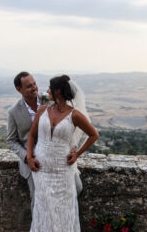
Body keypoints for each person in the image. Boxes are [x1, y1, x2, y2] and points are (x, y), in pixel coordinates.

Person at [26, 75, 99, 232]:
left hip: (62, 171)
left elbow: (94, 135)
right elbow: (32, 135)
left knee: (62, 210)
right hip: (41, 169)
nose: (46, 90)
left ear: (57, 91)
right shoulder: (43, 110)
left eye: (49, 87)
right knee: (43, 209)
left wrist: (77, 154)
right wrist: (29, 157)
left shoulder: (75, 115)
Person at [7, 71, 40, 210]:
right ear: (18, 89)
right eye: (29, 86)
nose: (34, 88)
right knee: (37, 201)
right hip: (32, 164)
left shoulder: (49, 102)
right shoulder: (13, 112)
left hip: (53, 157)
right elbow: (11, 141)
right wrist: (27, 158)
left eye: (34, 84)